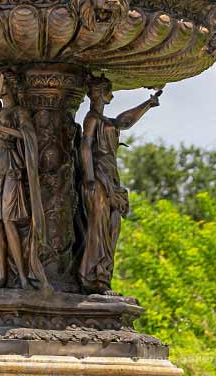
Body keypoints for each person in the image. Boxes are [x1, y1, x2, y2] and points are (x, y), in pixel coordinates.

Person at [79, 77, 162, 294]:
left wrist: (148, 104)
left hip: (111, 178)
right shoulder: (91, 119)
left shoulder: (108, 121)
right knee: (98, 225)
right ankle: (92, 275)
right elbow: (85, 147)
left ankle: (104, 272)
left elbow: (124, 121)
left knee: (112, 225)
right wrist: (88, 178)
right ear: (97, 94)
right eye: (107, 92)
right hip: (98, 179)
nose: (111, 95)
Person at [0, 71, 49, 290]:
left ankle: (21, 275)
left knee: (10, 222)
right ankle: (1, 276)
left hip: (11, 169)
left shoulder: (19, 112)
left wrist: (1, 129)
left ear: (9, 86)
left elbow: (29, 136)